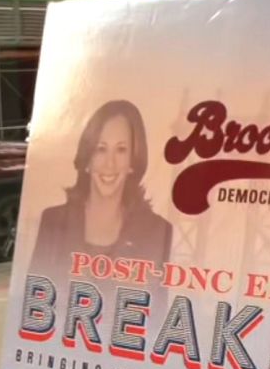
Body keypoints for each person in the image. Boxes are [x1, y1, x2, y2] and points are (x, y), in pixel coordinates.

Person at [28, 100, 173, 278]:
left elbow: (157, 295)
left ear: (132, 161)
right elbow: (35, 289)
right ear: (88, 159)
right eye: (101, 149)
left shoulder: (158, 231)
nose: (110, 164)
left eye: (121, 150)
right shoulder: (53, 222)